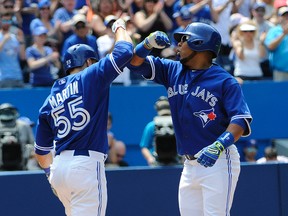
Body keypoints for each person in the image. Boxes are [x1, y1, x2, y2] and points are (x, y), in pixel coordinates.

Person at [128, 22, 252, 215]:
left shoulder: (225, 81)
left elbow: (240, 120)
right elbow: (134, 63)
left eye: (183, 39)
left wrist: (219, 145)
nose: (178, 45)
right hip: (189, 164)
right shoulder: (172, 70)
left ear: (199, 43)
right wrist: (147, 43)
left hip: (218, 160)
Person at [34, 18, 133, 216]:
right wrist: (120, 26)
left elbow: (41, 152)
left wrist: (50, 174)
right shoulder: (92, 75)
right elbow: (125, 51)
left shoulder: (51, 97)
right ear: (88, 62)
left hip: (59, 169)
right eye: (94, 62)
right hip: (85, 165)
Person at [140, 96, 179, 166]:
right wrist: (150, 158)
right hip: (156, 163)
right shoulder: (151, 126)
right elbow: (144, 146)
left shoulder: (177, 125)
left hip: (176, 162)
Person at [0, 103, 35, 170]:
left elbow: (32, 144)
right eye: (4, 112)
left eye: (9, 112)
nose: (7, 114)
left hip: (22, 164)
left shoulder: (23, 126)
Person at [264, 6, 288, 81]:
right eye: (284, 15)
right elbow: (270, 47)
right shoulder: (274, 31)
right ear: (279, 17)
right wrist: (284, 34)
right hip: (280, 72)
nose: (287, 17)